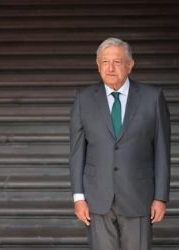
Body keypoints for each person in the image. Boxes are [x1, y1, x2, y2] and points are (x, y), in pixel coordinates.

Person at [69, 37, 171, 250]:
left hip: (139, 197)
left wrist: (160, 197)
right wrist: (78, 197)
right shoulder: (84, 98)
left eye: (117, 61)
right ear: (98, 66)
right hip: (97, 199)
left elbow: (162, 150)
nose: (110, 68)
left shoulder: (152, 97)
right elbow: (77, 151)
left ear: (130, 65)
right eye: (105, 62)